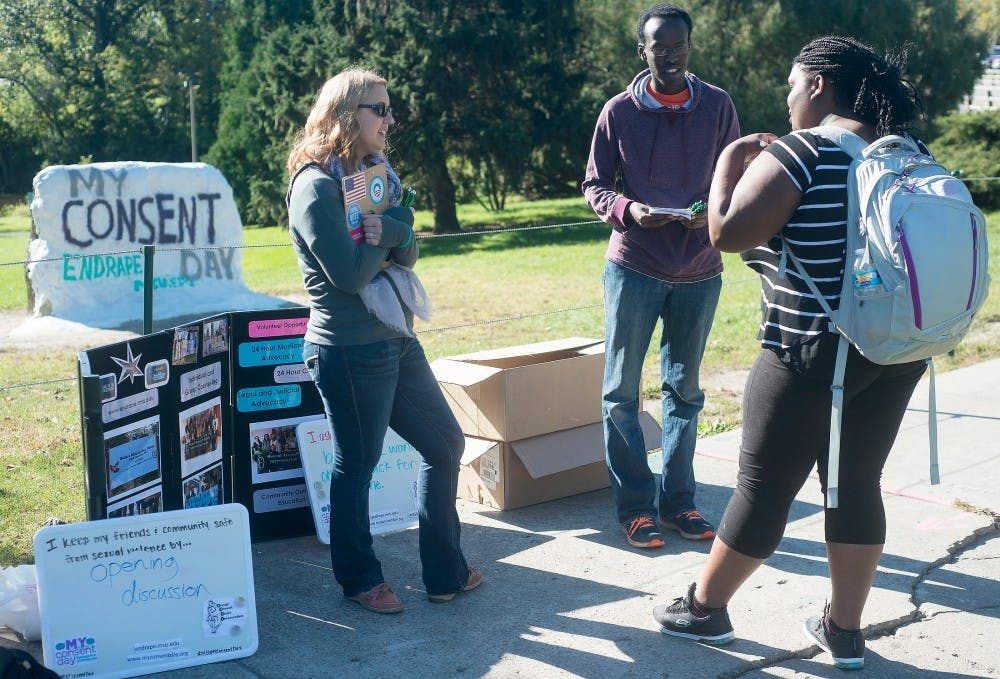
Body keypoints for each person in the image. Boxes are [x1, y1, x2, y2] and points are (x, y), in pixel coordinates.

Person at [652, 36, 928, 670]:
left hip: (809, 348)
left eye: (790, 85)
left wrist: (730, 157)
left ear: (818, 87)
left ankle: (704, 609)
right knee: (855, 483)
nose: (788, 96)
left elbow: (726, 232)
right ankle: (846, 631)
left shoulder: (808, 151)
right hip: (894, 348)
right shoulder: (907, 154)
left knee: (761, 484)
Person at [286, 68, 481, 614]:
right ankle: (360, 579)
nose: (390, 119)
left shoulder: (373, 171)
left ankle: (445, 572)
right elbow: (348, 277)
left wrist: (392, 229)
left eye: (389, 108)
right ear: (347, 115)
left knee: (445, 445)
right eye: (380, 108)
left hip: (396, 336)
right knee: (359, 462)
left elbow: (408, 248)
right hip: (348, 350)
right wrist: (391, 233)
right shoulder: (315, 185)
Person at [582, 3, 740, 549]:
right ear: (642, 50)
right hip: (634, 267)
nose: (669, 55)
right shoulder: (617, 112)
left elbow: (734, 179)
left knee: (685, 391)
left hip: (700, 268)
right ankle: (634, 508)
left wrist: (712, 211)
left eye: (679, 46)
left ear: (689, 48)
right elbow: (596, 186)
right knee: (621, 392)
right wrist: (631, 212)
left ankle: (680, 504)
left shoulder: (718, 106)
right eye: (659, 46)